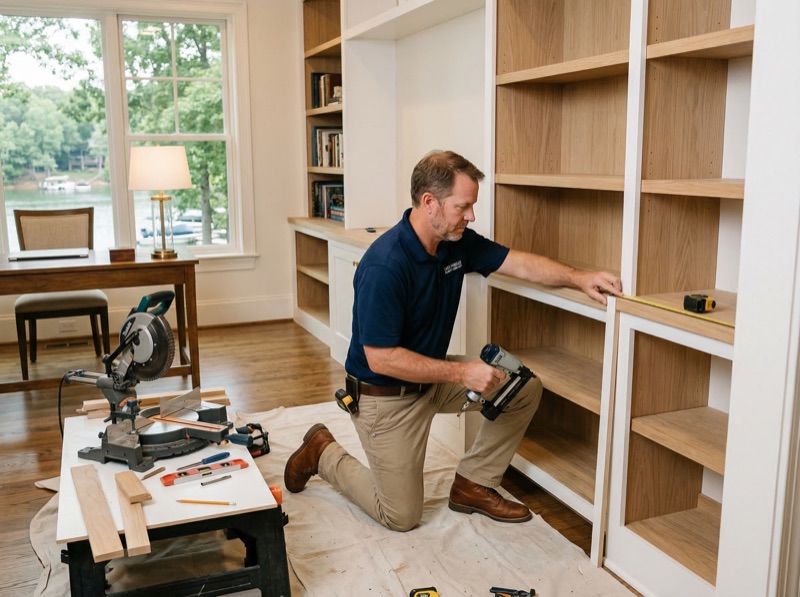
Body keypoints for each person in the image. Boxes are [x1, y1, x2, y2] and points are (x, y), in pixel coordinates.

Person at [284, 150, 622, 531]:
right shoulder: (385, 265)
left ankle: (473, 485)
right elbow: (380, 359)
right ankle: (322, 451)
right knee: (401, 516)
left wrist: (580, 278)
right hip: (385, 398)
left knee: (522, 388)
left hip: (432, 381)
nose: (471, 215)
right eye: (464, 206)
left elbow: (520, 263)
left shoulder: (455, 242)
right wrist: (463, 374)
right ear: (430, 203)